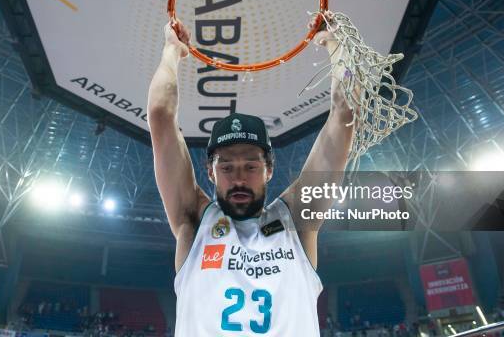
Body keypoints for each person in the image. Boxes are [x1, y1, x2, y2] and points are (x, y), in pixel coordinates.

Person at [147, 20, 354, 336]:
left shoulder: (296, 221)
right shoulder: (193, 219)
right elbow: (160, 114)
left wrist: (335, 45)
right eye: (227, 167)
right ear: (210, 172)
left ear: (269, 169)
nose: (239, 178)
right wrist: (172, 51)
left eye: (251, 166)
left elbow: (345, 113)